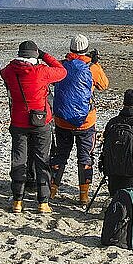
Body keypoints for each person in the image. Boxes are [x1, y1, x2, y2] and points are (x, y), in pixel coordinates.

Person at [0, 41, 67, 214]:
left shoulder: (10, 71)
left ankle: (17, 200)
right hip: (40, 121)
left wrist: (16, 62)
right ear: (34, 55)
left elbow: (3, 72)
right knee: (42, 160)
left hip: (18, 121)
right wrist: (44, 55)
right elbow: (62, 71)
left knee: (18, 159)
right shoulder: (41, 71)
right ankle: (42, 202)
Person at [51, 34, 109, 204]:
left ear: (70, 48)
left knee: (60, 155)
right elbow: (104, 85)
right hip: (86, 121)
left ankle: (52, 190)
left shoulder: (61, 66)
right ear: (86, 48)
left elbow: (54, 82)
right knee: (85, 157)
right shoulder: (92, 67)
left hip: (62, 120)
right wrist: (96, 63)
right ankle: (83, 195)